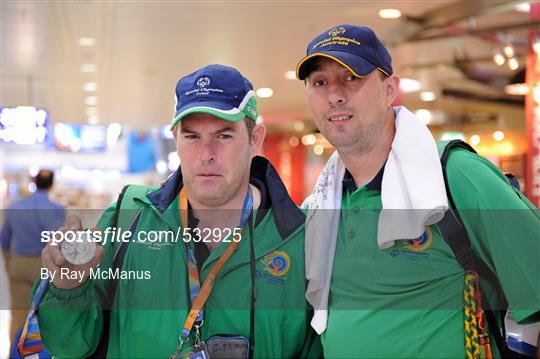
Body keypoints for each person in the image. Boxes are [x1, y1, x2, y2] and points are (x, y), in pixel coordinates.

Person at [27, 64, 320, 358]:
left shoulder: (299, 239)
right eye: (192, 137)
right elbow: (70, 346)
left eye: (224, 136)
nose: (206, 154)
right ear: (176, 139)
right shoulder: (131, 217)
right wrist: (67, 286)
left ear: (255, 138)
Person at [297, 24, 540, 358]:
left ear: (389, 89)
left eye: (351, 77)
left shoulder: (455, 177)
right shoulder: (316, 209)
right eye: (319, 82)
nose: (335, 94)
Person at [1, 169, 65, 350]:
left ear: (34, 182)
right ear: (52, 185)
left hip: (19, 263)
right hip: (45, 266)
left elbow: (4, 240)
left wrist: (9, 265)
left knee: (18, 315)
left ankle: (15, 354)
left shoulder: (15, 207)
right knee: (47, 316)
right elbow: (59, 242)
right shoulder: (56, 210)